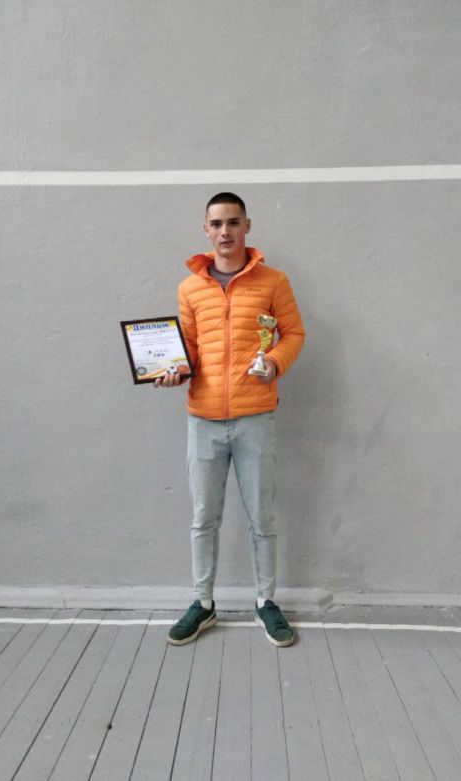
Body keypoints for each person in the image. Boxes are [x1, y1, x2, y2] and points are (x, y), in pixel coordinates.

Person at [156, 192, 305, 647]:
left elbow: (293, 333)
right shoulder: (189, 289)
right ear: (206, 230)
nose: (225, 231)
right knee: (204, 517)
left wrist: (274, 362)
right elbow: (189, 350)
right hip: (203, 420)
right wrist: (174, 371)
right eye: (217, 223)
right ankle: (203, 603)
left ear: (247, 226)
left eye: (233, 222)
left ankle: (266, 601)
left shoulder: (273, 281)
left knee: (262, 515)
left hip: (255, 417)